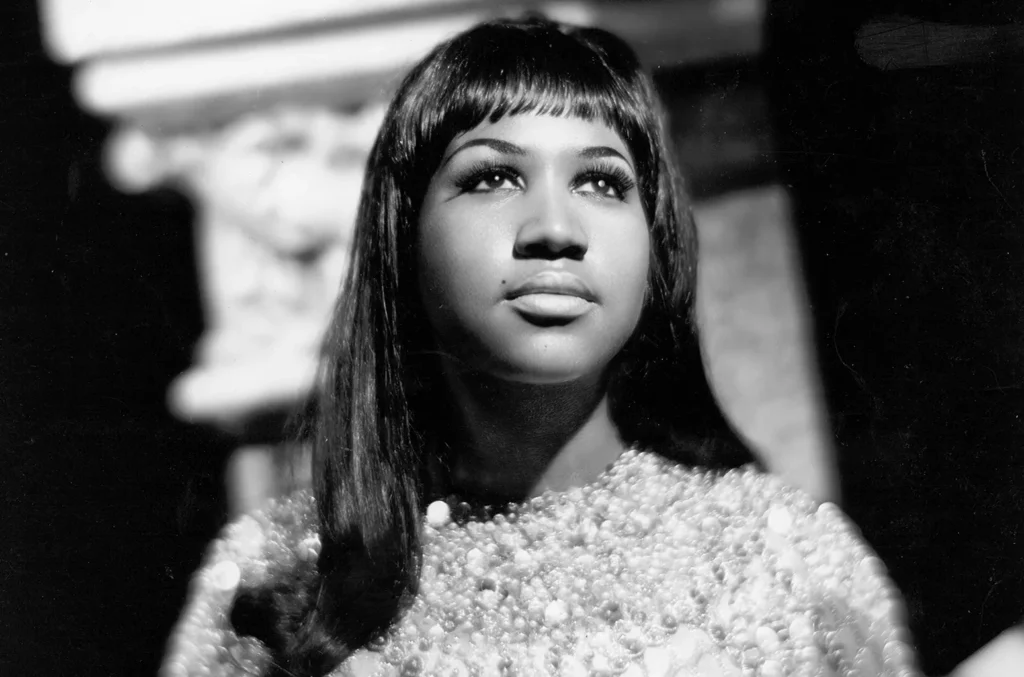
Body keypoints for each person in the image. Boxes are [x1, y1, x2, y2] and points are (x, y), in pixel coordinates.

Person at [160, 16, 922, 677]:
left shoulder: (786, 559)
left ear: (655, 246)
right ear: (403, 236)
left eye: (602, 183)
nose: (555, 229)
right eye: (494, 176)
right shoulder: (273, 575)